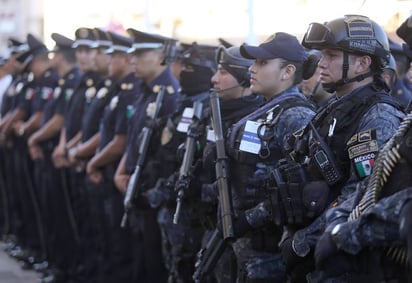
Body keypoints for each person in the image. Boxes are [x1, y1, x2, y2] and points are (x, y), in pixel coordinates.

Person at [276, 15, 405, 282]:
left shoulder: (378, 115)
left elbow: (363, 194)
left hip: (342, 259)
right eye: (322, 55)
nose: (321, 63)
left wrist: (305, 242)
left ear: (362, 63)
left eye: (331, 55)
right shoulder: (334, 107)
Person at [212, 32, 316, 282]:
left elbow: (299, 189)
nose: (253, 70)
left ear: (287, 71)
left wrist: (248, 219)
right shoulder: (267, 109)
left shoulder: (296, 116)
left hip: (269, 252)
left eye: (262, 63)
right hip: (244, 247)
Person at [114, 28, 180, 283]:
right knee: (139, 258)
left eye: (141, 54)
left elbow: (165, 154)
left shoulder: (169, 96)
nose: (133, 60)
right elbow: (133, 140)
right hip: (135, 187)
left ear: (162, 57)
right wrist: (123, 172)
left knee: (154, 264)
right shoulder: (144, 91)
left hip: (153, 192)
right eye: (133, 54)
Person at [26, 32, 81, 282]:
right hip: (52, 153)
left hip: (59, 155)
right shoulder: (63, 81)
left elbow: (61, 121)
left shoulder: (71, 81)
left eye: (56, 53)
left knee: (62, 216)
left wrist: (34, 138)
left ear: (60, 56)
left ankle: (65, 268)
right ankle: (56, 264)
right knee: (51, 213)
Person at [84, 31, 138, 283]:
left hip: (118, 179)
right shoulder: (116, 89)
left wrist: (92, 161)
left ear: (127, 60)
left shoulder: (130, 91)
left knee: (120, 246)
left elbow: (121, 141)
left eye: (114, 55)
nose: (107, 59)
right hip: (107, 175)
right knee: (103, 238)